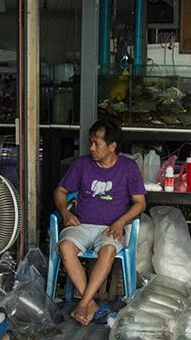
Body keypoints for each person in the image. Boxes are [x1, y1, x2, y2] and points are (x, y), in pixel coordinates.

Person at [55, 119, 146, 326]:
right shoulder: (81, 165)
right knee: (65, 247)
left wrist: (121, 222)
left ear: (112, 146)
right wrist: (65, 212)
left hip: (110, 227)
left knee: (108, 251)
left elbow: (140, 203)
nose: (91, 148)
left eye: (97, 143)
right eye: (91, 142)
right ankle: (90, 306)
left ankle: (83, 304)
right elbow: (60, 191)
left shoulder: (128, 168)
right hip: (81, 225)